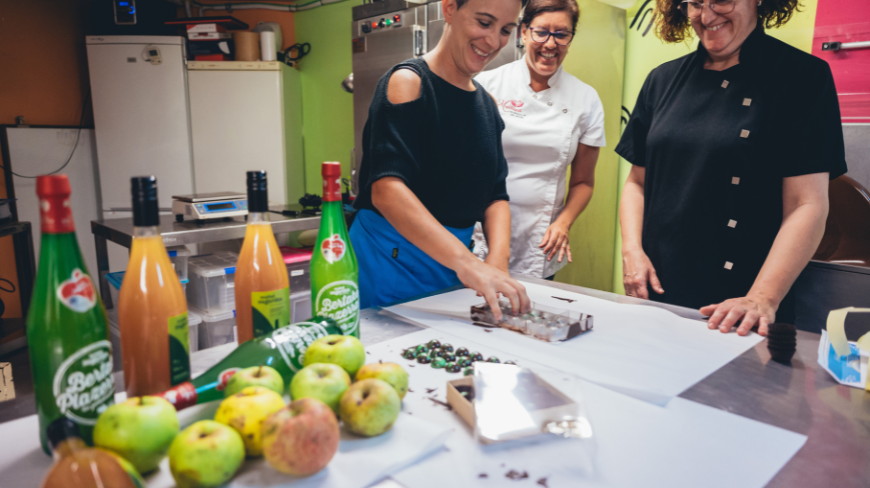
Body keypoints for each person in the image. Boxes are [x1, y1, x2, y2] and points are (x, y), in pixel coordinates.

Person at [616, 0, 846, 336]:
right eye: (695, 3)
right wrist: (632, 252)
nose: (707, 16)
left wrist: (762, 298)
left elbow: (807, 205)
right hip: (658, 296)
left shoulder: (801, 77)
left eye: (721, 0)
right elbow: (637, 183)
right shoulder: (661, 80)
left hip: (742, 310)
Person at [351, 0, 531, 318]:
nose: (493, 41)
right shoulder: (408, 83)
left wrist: (497, 264)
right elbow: (387, 190)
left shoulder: (486, 104)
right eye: (484, 22)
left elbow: (495, 195)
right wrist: (466, 262)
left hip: (451, 268)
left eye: (505, 29)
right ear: (449, 9)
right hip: (390, 261)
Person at [474, 0, 605, 280]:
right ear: (523, 32)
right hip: (480, 233)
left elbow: (583, 181)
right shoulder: (486, 85)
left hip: (541, 238)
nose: (550, 43)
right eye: (541, 32)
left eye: (561, 34)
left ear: (570, 39)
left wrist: (563, 224)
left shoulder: (586, 99)